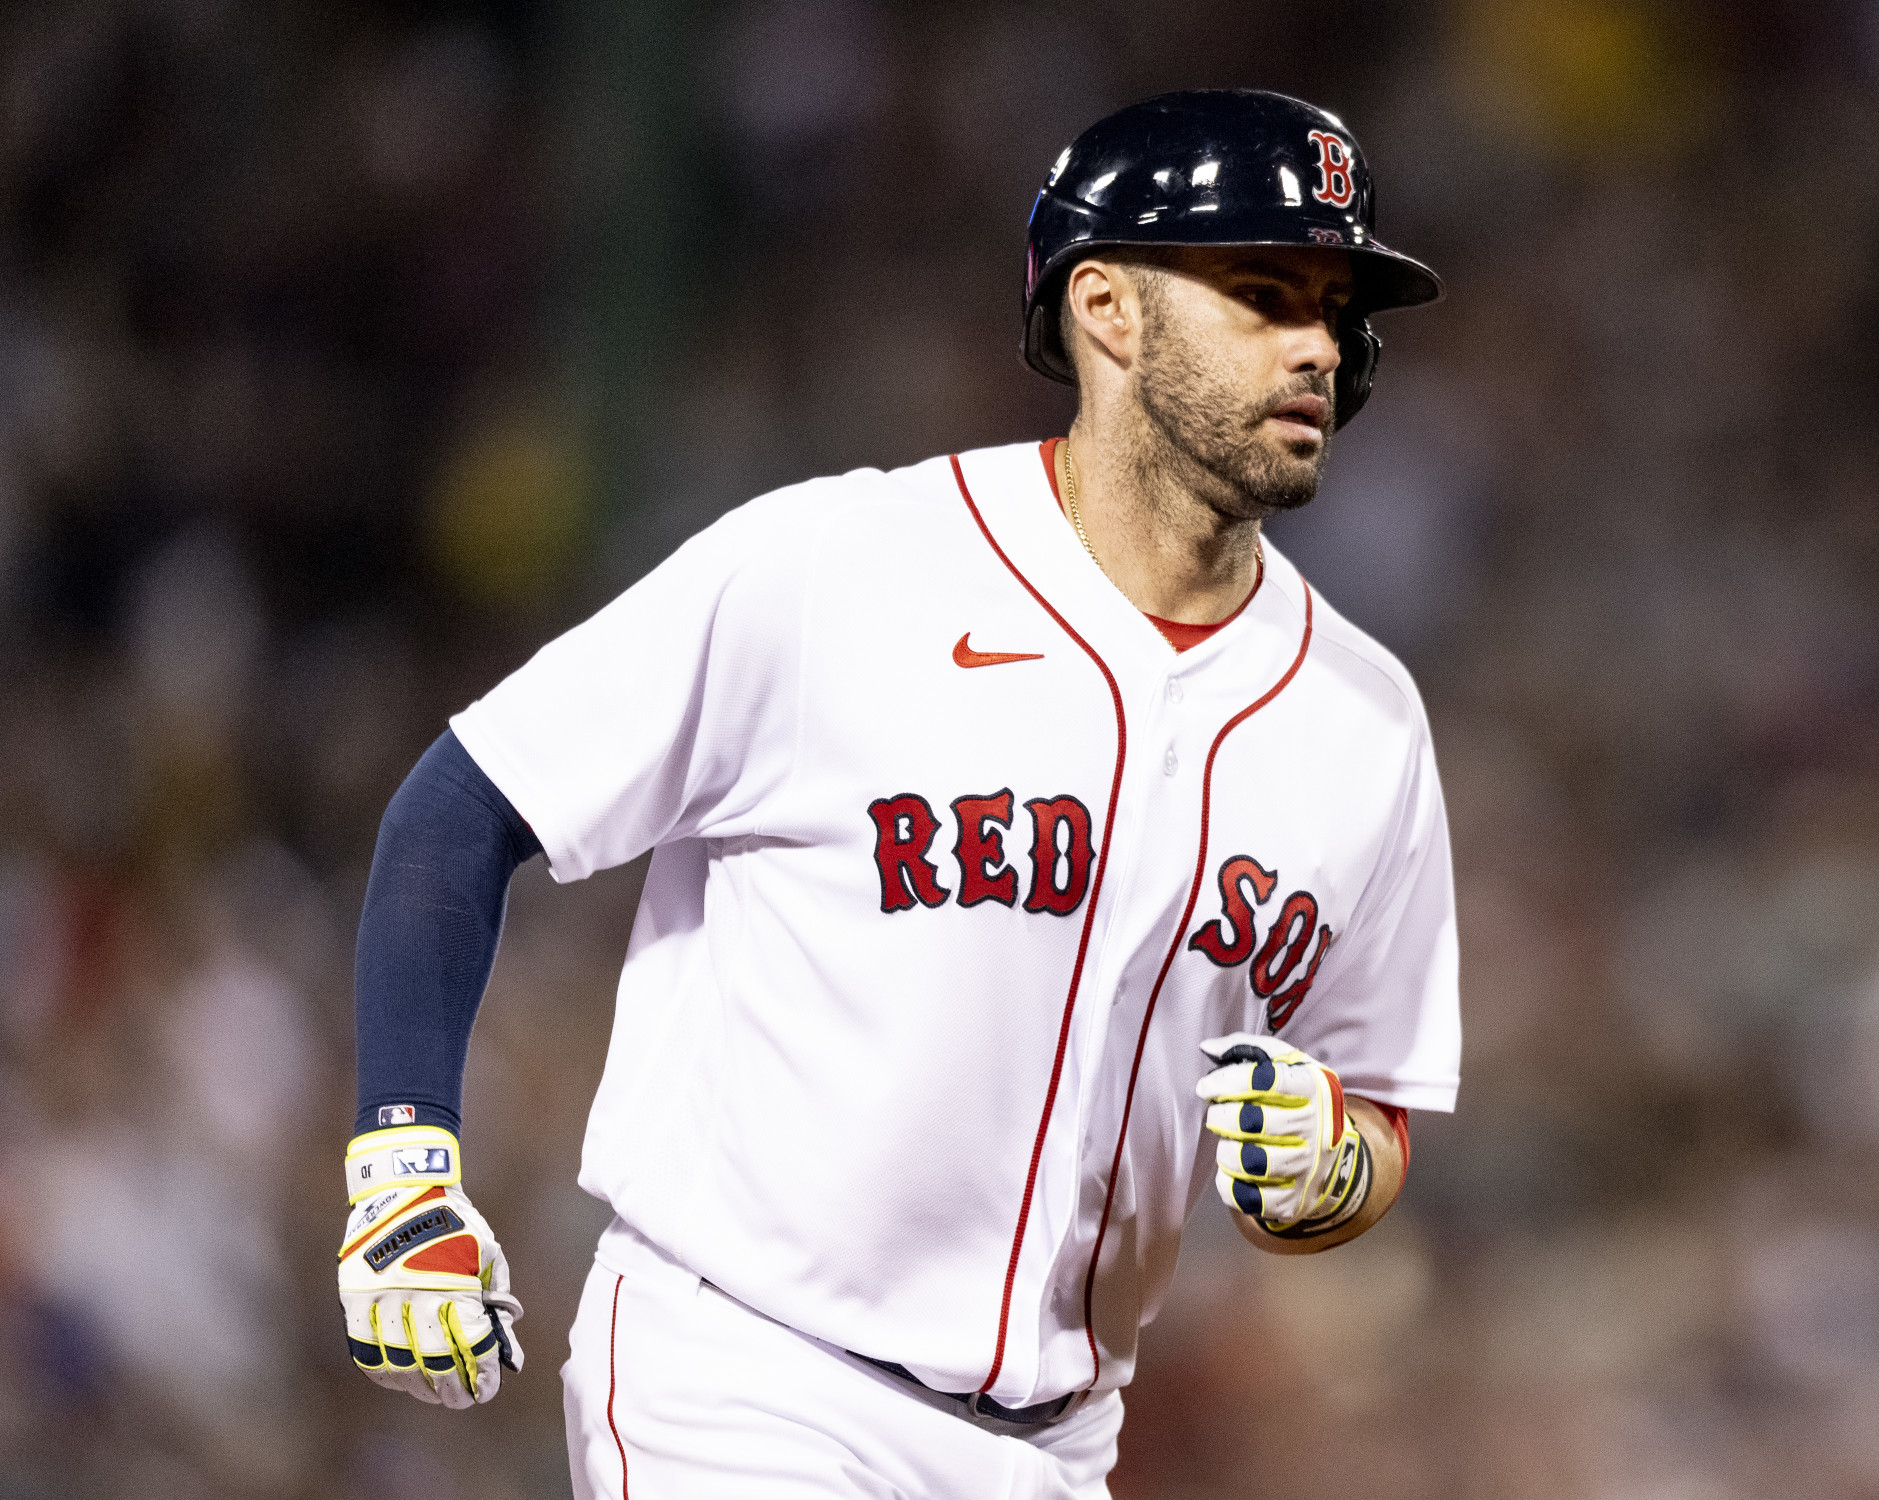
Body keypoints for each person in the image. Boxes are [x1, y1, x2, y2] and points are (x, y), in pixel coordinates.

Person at [337, 88, 1460, 1499]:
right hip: (746, 1385)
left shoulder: (1362, 722)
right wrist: (402, 1169)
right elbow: (459, 809)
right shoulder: (841, 568)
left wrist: (1326, 1174)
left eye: (1335, 305)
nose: (1317, 343)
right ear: (1106, 310)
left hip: (1058, 1448)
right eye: (1261, 290)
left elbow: (1374, 1122)